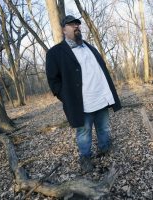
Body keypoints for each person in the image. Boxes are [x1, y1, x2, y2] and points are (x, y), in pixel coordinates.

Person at [46, 15, 121, 173]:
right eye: (71, 24)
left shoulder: (89, 47)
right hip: (81, 104)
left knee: (104, 128)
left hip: (101, 98)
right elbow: (53, 81)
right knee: (84, 133)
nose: (76, 27)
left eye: (77, 24)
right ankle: (85, 158)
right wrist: (66, 97)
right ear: (63, 29)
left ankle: (105, 149)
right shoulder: (55, 53)